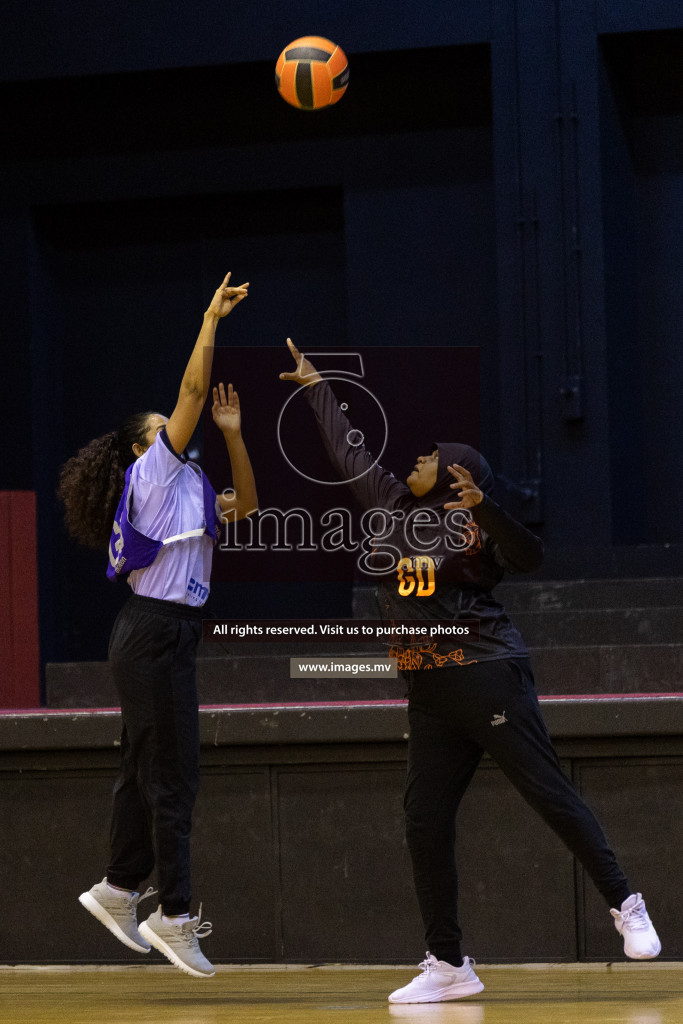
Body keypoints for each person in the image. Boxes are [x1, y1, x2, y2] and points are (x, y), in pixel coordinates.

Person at [279, 338, 660, 1003]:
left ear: (456, 474)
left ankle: (625, 904)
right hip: (427, 691)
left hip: (486, 673)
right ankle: (448, 963)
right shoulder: (389, 505)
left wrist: (483, 505)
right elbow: (348, 450)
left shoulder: (474, 527)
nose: (417, 459)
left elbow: (531, 555)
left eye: (432, 457)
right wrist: (315, 385)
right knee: (422, 820)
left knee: (547, 793)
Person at [58, 272, 256, 978]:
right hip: (152, 631)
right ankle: (173, 912)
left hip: (162, 634)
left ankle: (117, 888)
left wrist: (232, 437)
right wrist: (208, 318)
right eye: (162, 431)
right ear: (144, 450)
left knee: (153, 770)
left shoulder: (186, 491)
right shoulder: (151, 478)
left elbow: (248, 505)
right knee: (171, 777)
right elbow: (193, 395)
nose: (177, 433)